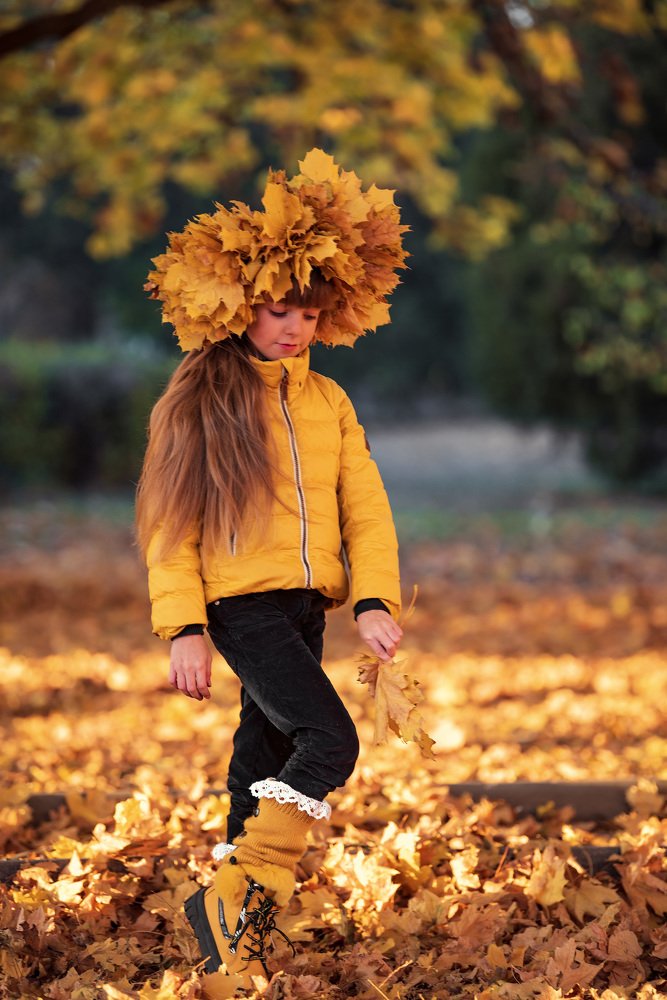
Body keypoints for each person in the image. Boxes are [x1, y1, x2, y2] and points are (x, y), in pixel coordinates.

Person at [135, 148, 408, 980]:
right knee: (327, 741)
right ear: (243, 310)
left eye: (310, 316)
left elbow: (366, 504)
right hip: (239, 606)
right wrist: (183, 626)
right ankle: (243, 886)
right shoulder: (201, 400)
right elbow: (170, 528)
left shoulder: (327, 401)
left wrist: (371, 599)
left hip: (304, 605)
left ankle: (231, 931)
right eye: (279, 310)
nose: (294, 327)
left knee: (261, 754)